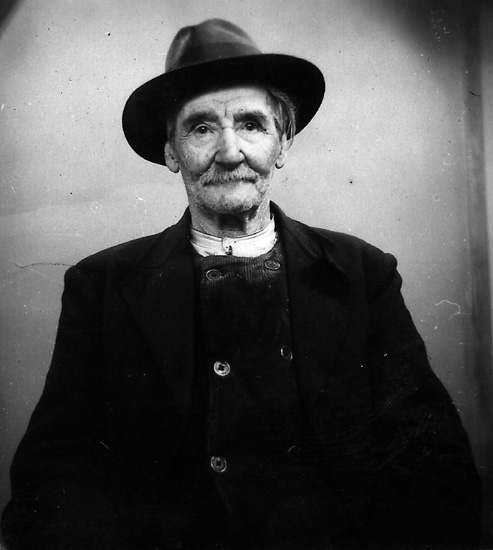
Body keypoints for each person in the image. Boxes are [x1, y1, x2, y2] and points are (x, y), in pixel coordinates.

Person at [1, 18, 483, 550]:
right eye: (201, 128)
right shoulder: (101, 287)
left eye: (251, 125)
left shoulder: (362, 274)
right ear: (171, 151)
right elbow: (55, 480)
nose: (230, 152)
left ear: (282, 142)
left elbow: (432, 465)